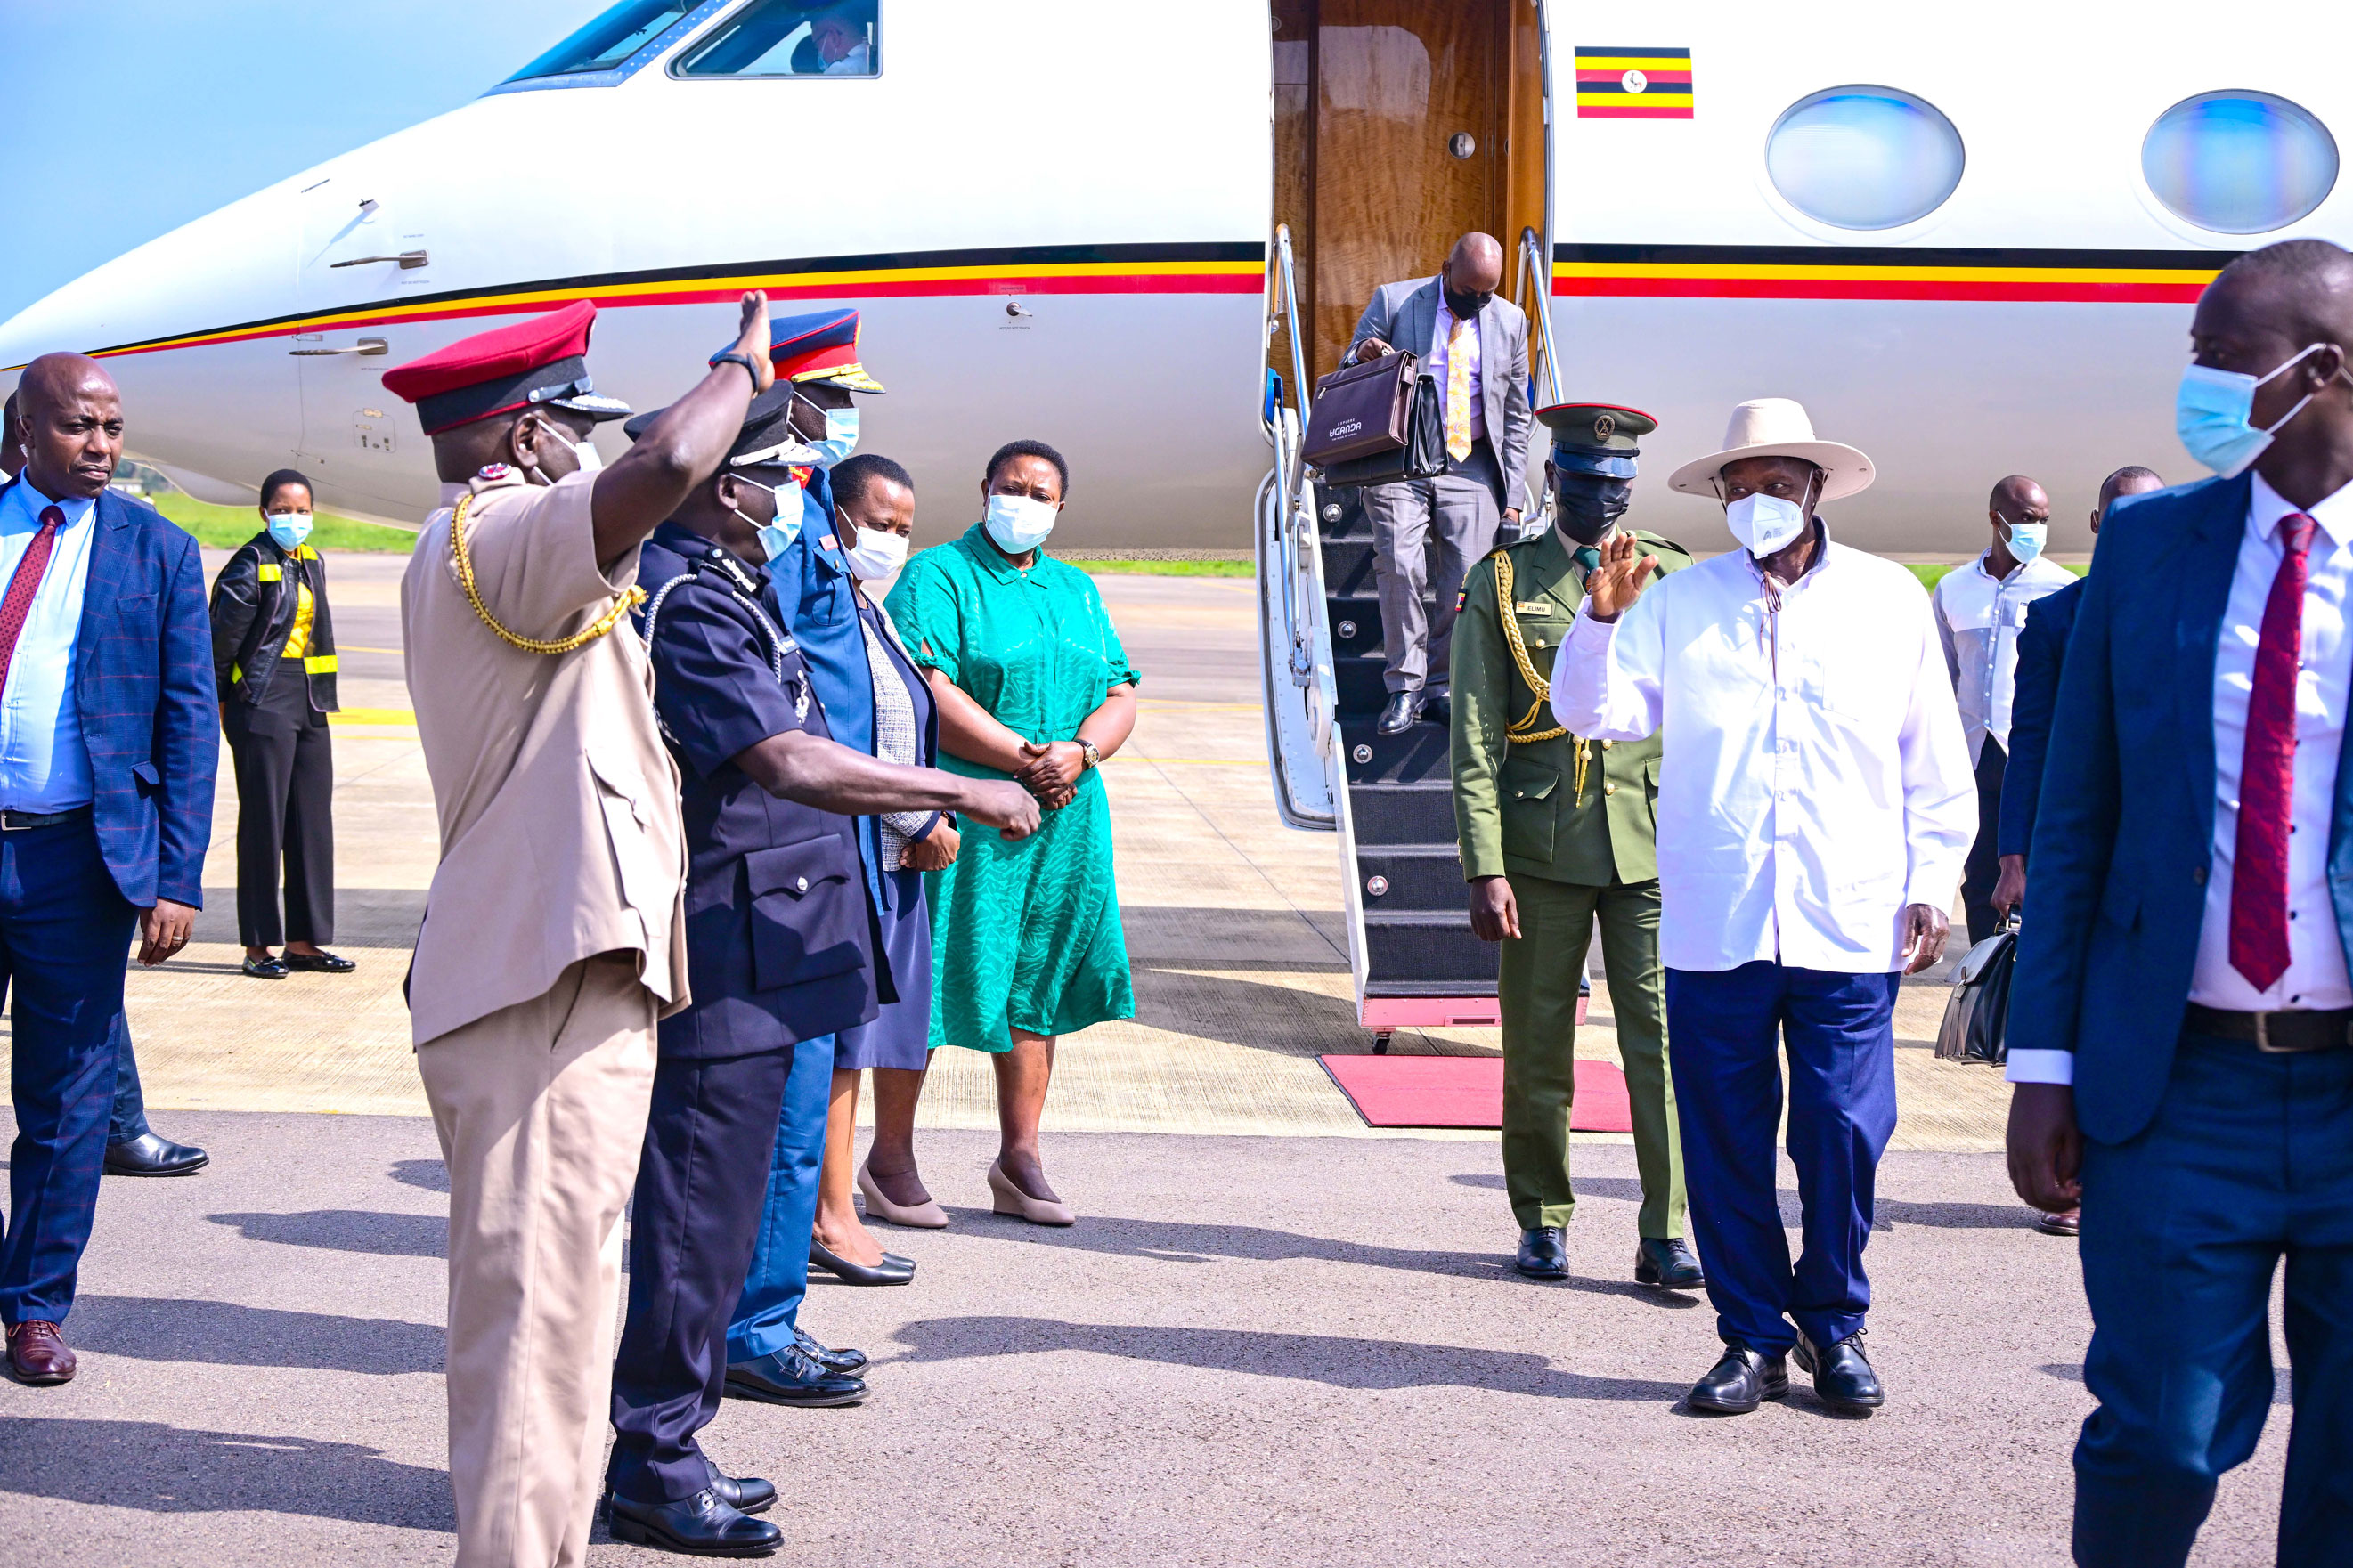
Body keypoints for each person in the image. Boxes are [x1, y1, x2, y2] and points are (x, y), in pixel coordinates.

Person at [604, 391, 1037, 1556]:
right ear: (719, 482)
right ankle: (650, 1455)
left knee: (726, 1207)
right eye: (778, 473)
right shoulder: (687, 600)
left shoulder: (729, 586)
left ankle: (673, 1436)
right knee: (696, 1214)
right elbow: (785, 757)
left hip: (775, 936)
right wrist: (955, 787)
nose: (797, 492)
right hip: (733, 948)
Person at [382, 293, 772, 1568]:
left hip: (554, 971)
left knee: (553, 1319)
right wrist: (739, 363)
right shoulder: (500, 534)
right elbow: (666, 464)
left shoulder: (494, 543)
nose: (595, 453)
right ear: (537, 433)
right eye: (580, 429)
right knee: (537, 1333)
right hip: (538, 987)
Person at [2005, 239, 2353, 1568]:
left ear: (2316, 371)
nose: (2193, 387)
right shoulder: (2149, 549)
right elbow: (2075, 818)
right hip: (2178, 1085)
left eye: (2217, 358)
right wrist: (2043, 1065)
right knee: (2156, 1432)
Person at [1551, 397, 1975, 1416]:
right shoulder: (1677, 602)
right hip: (1717, 916)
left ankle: (1834, 1327)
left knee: (1838, 1127)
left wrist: (1930, 880)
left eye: (1777, 488)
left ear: (1815, 491)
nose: (1758, 507)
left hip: (1847, 913)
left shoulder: (1883, 600)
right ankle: (1750, 1337)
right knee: (1725, 1137)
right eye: (1739, 492)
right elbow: (1590, 713)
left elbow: (1933, 756)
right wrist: (1599, 617)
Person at [0, 354, 216, 1385]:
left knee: (68, 1097)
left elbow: (189, 724)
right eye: (80, 426)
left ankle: (35, 1308)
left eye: (113, 427)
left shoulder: (160, 552)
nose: (101, 446)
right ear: (27, 430)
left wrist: (177, 879)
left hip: (76, 861)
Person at [1450, 402, 1699, 1291]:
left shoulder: (1670, 577)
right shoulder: (1504, 580)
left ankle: (1665, 1229)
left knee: (1662, 1046)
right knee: (1537, 1042)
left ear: (1630, 487)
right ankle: (1542, 1217)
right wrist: (1483, 863)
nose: (1598, 499)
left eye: (1613, 486)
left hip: (1650, 848)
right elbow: (1475, 733)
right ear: (1552, 481)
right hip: (1538, 846)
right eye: (1582, 482)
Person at [718, 309, 916, 1389]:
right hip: (795, 846)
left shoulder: (803, 522)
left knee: (802, 1106)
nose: (839, 421)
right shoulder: (771, 532)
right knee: (776, 1113)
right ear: (783, 402)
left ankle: (764, 1317)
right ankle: (748, 1329)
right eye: (828, 400)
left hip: (839, 845)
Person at [885, 439, 1139, 1225]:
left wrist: (1083, 749)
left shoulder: (1076, 588)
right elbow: (925, 683)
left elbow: (1121, 688)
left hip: (1065, 818)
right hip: (973, 808)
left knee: (1039, 979)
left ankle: (1019, 1157)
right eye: (1011, 487)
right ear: (984, 488)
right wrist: (1026, 757)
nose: (1022, 502)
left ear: (1060, 508)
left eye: (1040, 493)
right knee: (933, 978)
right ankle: (890, 1155)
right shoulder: (937, 575)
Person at [1991, 463, 2163, 1240]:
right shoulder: (2057, 620)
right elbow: (2029, 745)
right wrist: (2014, 853)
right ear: (2097, 527)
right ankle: (2074, 1176)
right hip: (2079, 847)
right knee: (2078, 1003)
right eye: (2119, 518)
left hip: (2163, 852)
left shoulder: (2197, 609)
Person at [808, 451, 960, 1266]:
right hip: (868, 842)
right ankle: (830, 1216)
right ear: (834, 514)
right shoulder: (823, 604)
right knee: (841, 1048)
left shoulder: (867, 601)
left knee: (859, 1046)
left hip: (891, 851)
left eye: (905, 528)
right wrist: (917, 815)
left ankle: (832, 1208)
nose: (893, 540)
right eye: (879, 524)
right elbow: (841, 730)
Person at [1347, 232, 1535, 735]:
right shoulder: (1396, 300)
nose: (1475, 302)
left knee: (1464, 580)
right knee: (1401, 564)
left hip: (1470, 462)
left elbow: (1517, 418)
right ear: (1444, 268)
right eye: (1467, 290)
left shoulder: (1512, 323)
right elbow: (1347, 366)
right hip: (1400, 459)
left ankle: (1440, 683)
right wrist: (1364, 352)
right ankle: (1404, 687)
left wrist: (1513, 501)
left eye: (1486, 295)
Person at [209, 469, 351, 981]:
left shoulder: (311, 560)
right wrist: (225, 703)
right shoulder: (248, 566)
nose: (295, 519)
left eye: (303, 509)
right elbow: (219, 647)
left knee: (312, 823)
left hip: (310, 702)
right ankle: (258, 946)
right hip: (262, 700)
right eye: (285, 510)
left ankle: (304, 942)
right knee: (264, 824)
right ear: (264, 512)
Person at [1931, 475, 2074, 944]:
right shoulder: (1953, 589)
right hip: (1974, 756)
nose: (2038, 529)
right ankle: (1985, 988)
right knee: (1981, 884)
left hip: (2032, 757)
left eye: (2044, 521)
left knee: (2039, 878)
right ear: (1997, 519)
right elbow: (1941, 680)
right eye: (2028, 520)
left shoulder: (2061, 589)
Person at [810, 3, 875, 73]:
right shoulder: (873, 62)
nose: (818, 52)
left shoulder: (840, 70)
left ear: (834, 38)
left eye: (817, 45)